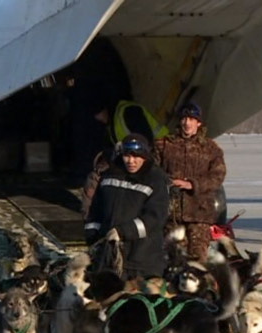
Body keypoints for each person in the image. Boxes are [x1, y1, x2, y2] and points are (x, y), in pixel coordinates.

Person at [84, 133, 170, 279]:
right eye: (127, 156)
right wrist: (93, 237)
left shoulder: (156, 178)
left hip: (142, 260)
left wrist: (123, 231)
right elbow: (96, 210)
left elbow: (155, 217)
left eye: (136, 157)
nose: (131, 161)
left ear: (145, 156)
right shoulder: (109, 175)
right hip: (108, 257)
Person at [153, 101, 226, 263]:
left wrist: (193, 184)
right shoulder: (164, 145)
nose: (187, 123)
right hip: (171, 214)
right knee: (173, 259)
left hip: (199, 214)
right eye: (184, 119)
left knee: (197, 262)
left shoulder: (210, 148)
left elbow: (217, 176)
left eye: (192, 119)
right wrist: (168, 182)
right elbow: (152, 171)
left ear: (198, 123)